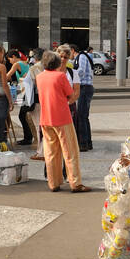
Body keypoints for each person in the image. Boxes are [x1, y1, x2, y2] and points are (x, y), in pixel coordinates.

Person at [34, 52, 90, 192]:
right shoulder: (60, 76)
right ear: (57, 63)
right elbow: (70, 94)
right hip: (62, 117)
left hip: (45, 118)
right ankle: (75, 183)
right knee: (70, 151)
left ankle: (54, 182)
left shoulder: (39, 77)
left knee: (51, 152)